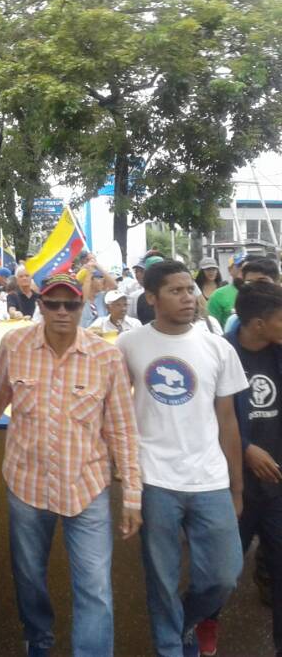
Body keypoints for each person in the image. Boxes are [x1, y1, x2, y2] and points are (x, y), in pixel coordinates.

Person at [0, 273, 143, 657]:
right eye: (51, 303)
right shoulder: (14, 344)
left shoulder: (107, 356)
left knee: (95, 587)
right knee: (29, 579)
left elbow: (122, 428)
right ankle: (38, 642)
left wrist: (133, 495)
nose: (60, 312)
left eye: (69, 304)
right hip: (27, 484)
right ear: (39, 305)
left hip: (86, 487)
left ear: (83, 306)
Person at [117, 260, 246, 657]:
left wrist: (236, 488)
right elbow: (118, 414)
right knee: (161, 579)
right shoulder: (128, 345)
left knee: (224, 575)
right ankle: (170, 647)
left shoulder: (217, 346)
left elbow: (227, 419)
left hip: (208, 479)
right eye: (176, 291)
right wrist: (127, 481)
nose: (188, 297)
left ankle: (186, 621)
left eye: (190, 289)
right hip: (154, 479)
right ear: (152, 298)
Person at [195, 281, 282, 656]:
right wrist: (245, 450)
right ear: (259, 323)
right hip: (233, 485)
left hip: (277, 487)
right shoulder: (219, 354)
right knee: (222, 572)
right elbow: (203, 417)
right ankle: (204, 619)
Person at [207, 254, 245, 327]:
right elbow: (212, 327)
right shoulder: (218, 295)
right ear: (230, 270)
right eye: (239, 266)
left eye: (247, 267)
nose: (243, 269)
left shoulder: (259, 292)